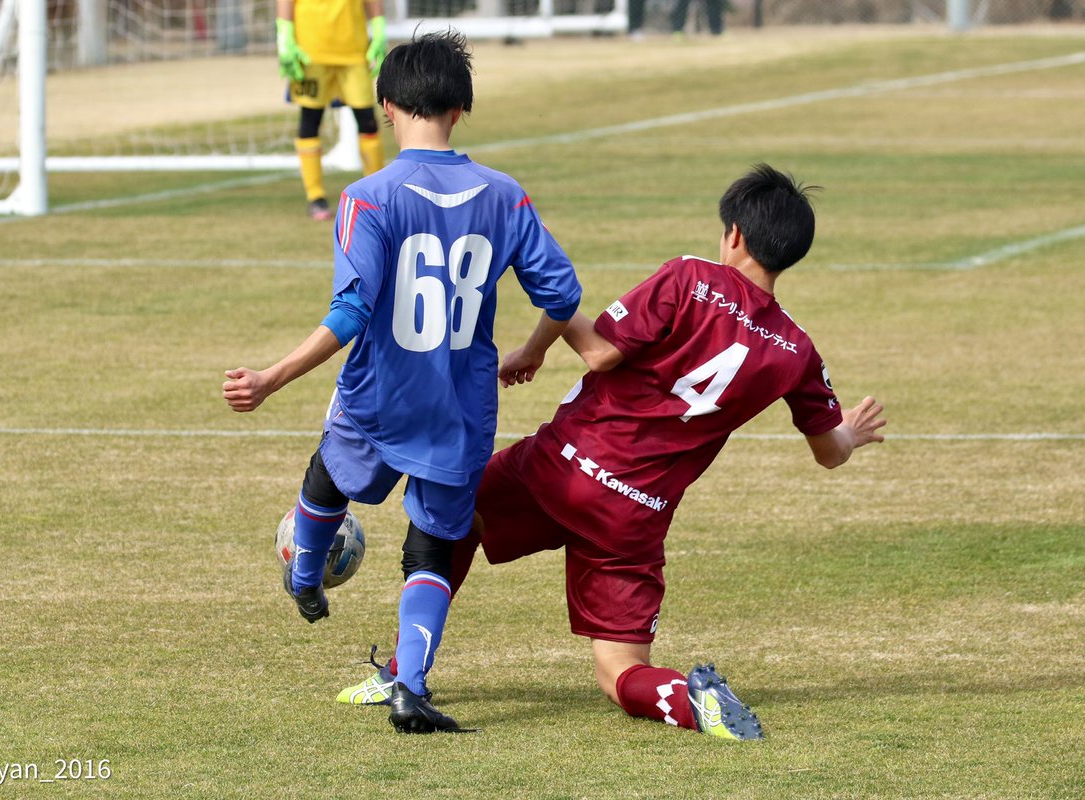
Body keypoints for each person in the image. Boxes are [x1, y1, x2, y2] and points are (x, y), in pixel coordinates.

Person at [337, 164, 886, 740]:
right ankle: (690, 701)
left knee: (453, 518)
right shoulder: (797, 350)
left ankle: (403, 672)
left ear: (734, 236)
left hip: (562, 469)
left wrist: (544, 322)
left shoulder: (689, 278)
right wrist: (848, 430)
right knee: (620, 673)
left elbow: (600, 354)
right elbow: (830, 452)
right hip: (635, 516)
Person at [223, 32, 583, 734]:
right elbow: (563, 296)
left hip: (380, 397)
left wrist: (271, 378)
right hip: (460, 405)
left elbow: (352, 311)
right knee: (430, 547)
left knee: (327, 476)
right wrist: (532, 351)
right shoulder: (506, 197)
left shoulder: (368, 198)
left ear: (387, 108)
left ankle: (304, 580)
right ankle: (410, 683)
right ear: (463, 109)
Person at [276, 0, 389, 220]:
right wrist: (284, 35)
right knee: (310, 120)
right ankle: (315, 197)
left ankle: (376, 194)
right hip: (310, 53)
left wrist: (378, 28)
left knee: (368, 122)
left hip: (354, 52)